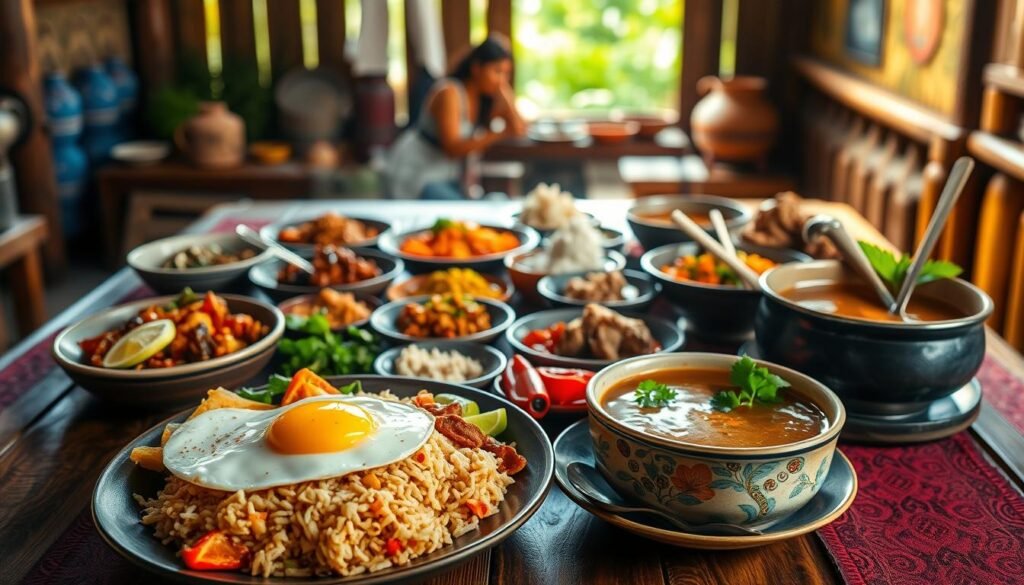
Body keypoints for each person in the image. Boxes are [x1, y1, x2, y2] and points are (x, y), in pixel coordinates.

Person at [384, 36, 526, 199]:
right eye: (496, 71)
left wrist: (504, 91)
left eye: (506, 73)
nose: (501, 79)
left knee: (496, 200)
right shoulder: (450, 92)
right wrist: (500, 135)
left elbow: (519, 127)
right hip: (419, 174)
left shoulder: (485, 100)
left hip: (448, 176)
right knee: (464, 217)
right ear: (476, 68)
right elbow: (452, 148)